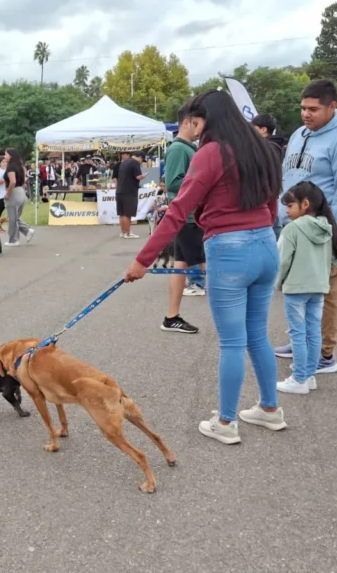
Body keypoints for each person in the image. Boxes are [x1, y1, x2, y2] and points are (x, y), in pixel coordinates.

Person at [124, 89, 286, 445]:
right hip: (265, 244)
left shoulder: (211, 153)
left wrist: (142, 260)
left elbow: (178, 211)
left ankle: (225, 422)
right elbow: (273, 203)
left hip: (229, 249)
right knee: (257, 334)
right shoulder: (263, 149)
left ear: (205, 120)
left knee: (232, 342)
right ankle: (270, 408)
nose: (192, 128)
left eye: (194, 121)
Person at [275, 79, 337, 375]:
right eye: (303, 108)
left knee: (325, 289)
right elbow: (287, 178)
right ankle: (300, 341)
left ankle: (324, 353)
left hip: (324, 227)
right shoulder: (298, 134)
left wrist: (330, 232)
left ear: (332, 107)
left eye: (313, 109)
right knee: (296, 286)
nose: (306, 114)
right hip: (294, 225)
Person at [275, 182, 337, 395]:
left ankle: (299, 379)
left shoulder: (292, 229)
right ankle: (309, 375)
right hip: (319, 288)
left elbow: (282, 261)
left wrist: (278, 283)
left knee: (298, 334)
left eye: (290, 205)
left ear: (305, 204)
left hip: (296, 288)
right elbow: (336, 258)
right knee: (314, 332)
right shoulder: (327, 227)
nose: (286, 210)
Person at [160, 105, 204, 335]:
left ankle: (171, 317)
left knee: (181, 264)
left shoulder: (187, 148)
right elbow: (173, 183)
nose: (201, 129)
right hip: (188, 217)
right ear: (187, 122)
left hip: (187, 216)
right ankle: (233, 319)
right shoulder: (178, 149)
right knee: (209, 265)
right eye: (198, 124)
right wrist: (203, 182)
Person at [3, 148, 34, 246]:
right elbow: (24, 180)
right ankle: (27, 230)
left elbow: (12, 181)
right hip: (21, 191)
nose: (4, 156)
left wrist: (8, 194)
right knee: (15, 217)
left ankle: (13, 240)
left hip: (14, 192)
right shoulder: (20, 166)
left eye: (6, 154)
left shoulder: (10, 167)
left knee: (12, 218)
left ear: (11, 156)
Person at [115, 150, 146, 239]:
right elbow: (138, 176)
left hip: (119, 190)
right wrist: (144, 176)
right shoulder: (135, 163)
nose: (141, 162)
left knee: (121, 213)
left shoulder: (124, 162)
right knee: (128, 213)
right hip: (129, 191)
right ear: (140, 157)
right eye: (142, 160)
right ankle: (128, 233)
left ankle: (123, 232)